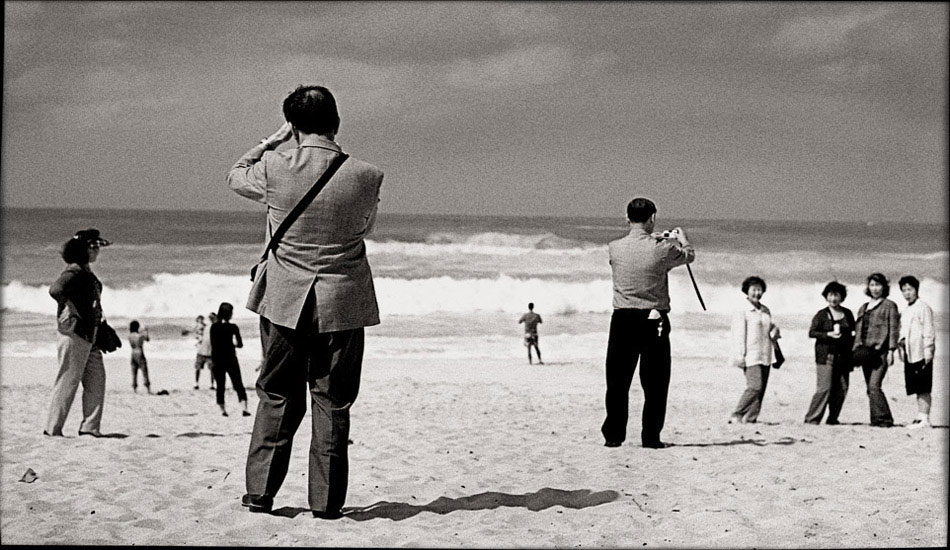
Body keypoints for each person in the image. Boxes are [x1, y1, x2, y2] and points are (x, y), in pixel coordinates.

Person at [228, 85, 383, 518]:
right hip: (343, 300)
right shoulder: (368, 174)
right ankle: (327, 503)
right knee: (333, 400)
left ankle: (260, 492)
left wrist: (271, 142)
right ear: (336, 122)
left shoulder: (274, 165)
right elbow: (364, 229)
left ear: (292, 126)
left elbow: (236, 174)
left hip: (283, 297)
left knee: (277, 393)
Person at [601, 198, 695, 449]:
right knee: (655, 383)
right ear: (652, 217)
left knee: (617, 381)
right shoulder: (663, 248)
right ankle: (651, 437)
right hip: (654, 320)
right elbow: (689, 256)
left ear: (627, 218)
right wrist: (681, 238)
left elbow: (637, 252)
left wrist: (653, 238)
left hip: (622, 319)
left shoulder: (614, 247)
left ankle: (613, 435)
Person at [45, 229, 112, 437]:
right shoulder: (74, 271)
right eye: (93, 247)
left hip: (88, 334)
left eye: (98, 247)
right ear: (83, 250)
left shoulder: (85, 270)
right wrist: (73, 310)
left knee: (96, 380)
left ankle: (90, 428)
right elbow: (55, 290)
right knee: (68, 381)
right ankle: (52, 429)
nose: (97, 251)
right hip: (74, 332)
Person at [728, 276, 781, 424]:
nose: (757, 293)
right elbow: (738, 334)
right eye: (754, 289)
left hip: (765, 353)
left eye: (759, 290)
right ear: (747, 291)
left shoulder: (765, 310)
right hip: (750, 354)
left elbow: (768, 328)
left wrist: (775, 330)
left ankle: (751, 418)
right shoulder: (742, 310)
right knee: (754, 387)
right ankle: (737, 414)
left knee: (761, 389)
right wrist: (740, 355)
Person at [804, 281, 856, 425]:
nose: (833, 299)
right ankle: (812, 419)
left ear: (842, 297)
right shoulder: (821, 315)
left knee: (842, 388)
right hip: (826, 356)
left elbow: (853, 332)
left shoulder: (847, 313)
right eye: (831, 295)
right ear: (826, 296)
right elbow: (812, 332)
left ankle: (833, 418)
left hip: (844, 357)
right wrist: (828, 335)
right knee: (824, 388)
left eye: (837, 295)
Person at [853, 273, 900, 427]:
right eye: (872, 285)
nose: (875, 288)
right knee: (870, 388)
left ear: (884, 287)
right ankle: (876, 419)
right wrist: (855, 351)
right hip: (865, 352)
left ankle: (885, 419)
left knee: (874, 386)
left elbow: (894, 328)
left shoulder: (889, 305)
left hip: (881, 352)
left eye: (878, 285)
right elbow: (858, 331)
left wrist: (892, 350)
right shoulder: (863, 307)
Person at [898, 275, 936, 429]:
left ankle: (925, 418)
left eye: (910, 289)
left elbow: (929, 331)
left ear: (916, 289)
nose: (907, 293)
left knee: (924, 386)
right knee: (915, 386)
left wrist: (928, 352)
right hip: (910, 352)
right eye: (904, 290)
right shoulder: (907, 309)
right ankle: (920, 416)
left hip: (921, 352)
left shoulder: (923, 307)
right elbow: (905, 331)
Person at [209, 302, 250, 418]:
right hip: (231, 358)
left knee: (220, 386)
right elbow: (240, 344)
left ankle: (222, 411)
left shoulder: (214, 327)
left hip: (217, 359)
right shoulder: (233, 327)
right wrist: (232, 345)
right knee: (238, 384)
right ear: (229, 314)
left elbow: (214, 345)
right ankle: (244, 409)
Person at [192, 315, 215, 390]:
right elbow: (197, 332)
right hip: (203, 351)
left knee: (212, 369)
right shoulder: (204, 327)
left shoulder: (210, 327)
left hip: (209, 352)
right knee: (198, 368)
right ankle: (196, 383)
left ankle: (212, 384)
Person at [128, 320, 151, 394]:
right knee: (144, 371)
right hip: (140, 352)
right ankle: (148, 389)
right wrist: (145, 331)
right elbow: (147, 339)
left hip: (133, 353)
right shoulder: (140, 335)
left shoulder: (130, 335)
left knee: (134, 372)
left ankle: (134, 389)